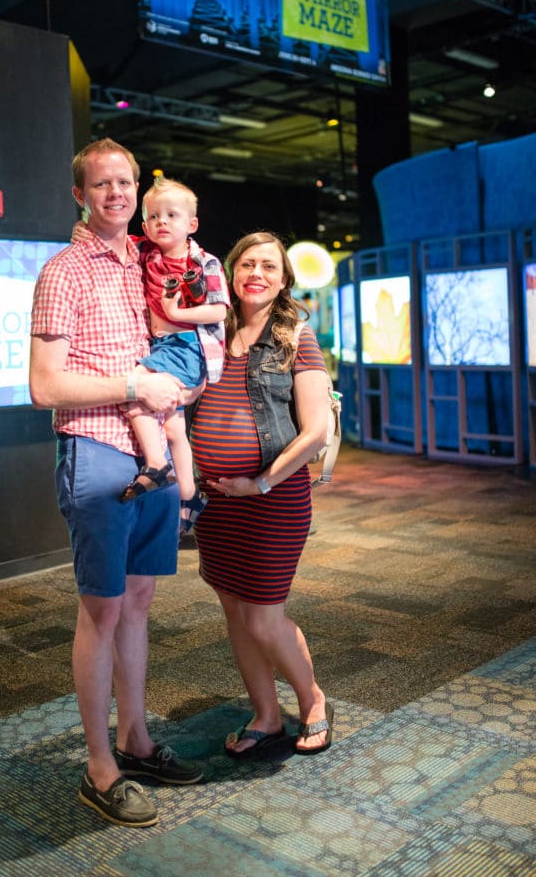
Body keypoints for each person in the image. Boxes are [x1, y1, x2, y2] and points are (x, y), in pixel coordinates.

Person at [29, 137, 203, 829]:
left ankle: (135, 740)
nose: (115, 194)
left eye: (124, 182)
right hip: (97, 448)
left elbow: (194, 330)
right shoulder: (62, 271)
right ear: (79, 194)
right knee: (101, 613)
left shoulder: (148, 261)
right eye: (100, 184)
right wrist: (132, 383)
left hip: (155, 447)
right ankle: (99, 767)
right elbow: (45, 386)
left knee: (137, 605)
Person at [190, 231, 334, 758]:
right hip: (218, 504)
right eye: (247, 263)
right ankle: (266, 715)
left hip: (274, 498)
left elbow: (315, 432)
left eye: (269, 267)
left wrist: (262, 480)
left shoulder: (296, 336)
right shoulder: (208, 330)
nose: (257, 273)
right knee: (234, 610)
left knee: (262, 616)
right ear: (230, 273)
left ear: (283, 280)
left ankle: (313, 700)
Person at [116, 177, 230, 535]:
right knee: (173, 426)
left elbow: (219, 311)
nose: (162, 222)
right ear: (145, 225)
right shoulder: (146, 252)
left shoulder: (203, 262)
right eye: (154, 216)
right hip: (162, 347)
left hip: (186, 346)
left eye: (172, 215)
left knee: (134, 390)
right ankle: (189, 493)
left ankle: (155, 464)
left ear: (191, 224)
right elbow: (108, 235)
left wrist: (177, 315)